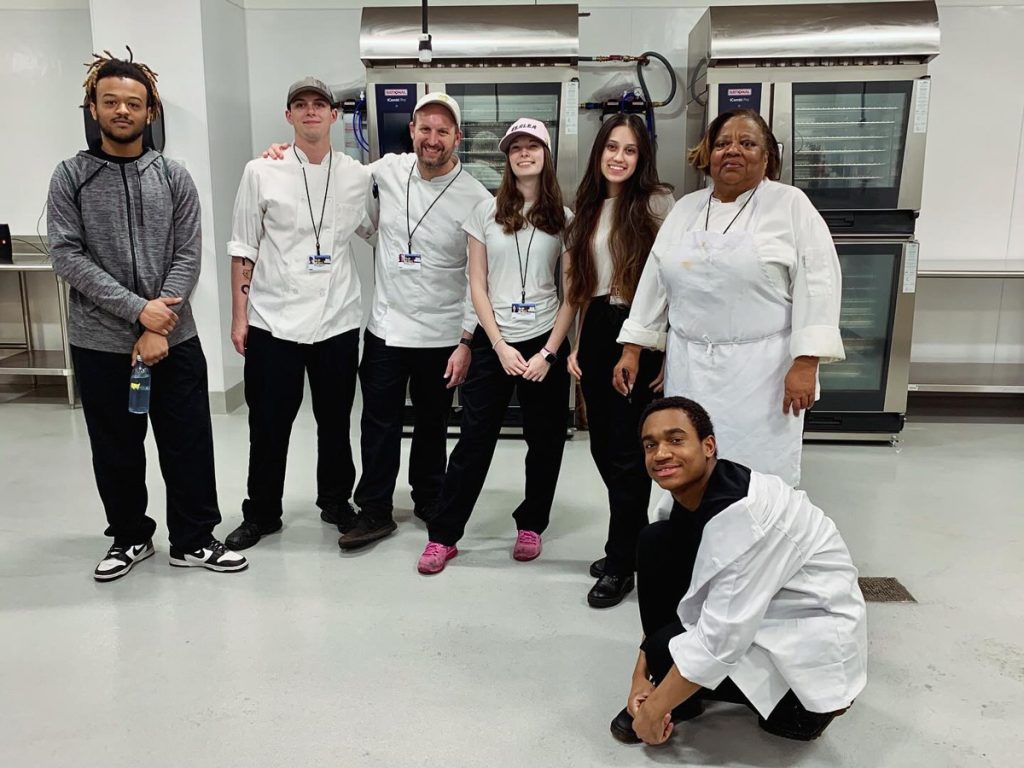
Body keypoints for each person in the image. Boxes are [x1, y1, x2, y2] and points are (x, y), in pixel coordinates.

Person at [47, 50, 247, 580]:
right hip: (101, 343)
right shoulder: (71, 177)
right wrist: (141, 313)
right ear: (93, 108)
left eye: (133, 103)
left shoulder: (174, 177)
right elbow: (66, 255)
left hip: (175, 341)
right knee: (115, 449)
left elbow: (188, 254)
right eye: (111, 101)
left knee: (188, 444)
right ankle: (130, 537)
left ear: (150, 112)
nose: (122, 111)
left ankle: (194, 538)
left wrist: (161, 324)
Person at [262, 92, 491, 549]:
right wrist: (286, 153)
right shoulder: (386, 169)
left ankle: (429, 498)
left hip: (443, 332)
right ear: (412, 131)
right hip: (386, 328)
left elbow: (478, 278)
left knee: (432, 424)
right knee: (378, 424)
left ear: (457, 137)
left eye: (442, 131)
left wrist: (467, 340)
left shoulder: (476, 197)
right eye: (425, 129)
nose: (432, 139)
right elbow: (330, 170)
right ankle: (375, 510)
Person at [612, 396, 866, 746]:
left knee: (667, 646)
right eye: (650, 445)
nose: (661, 454)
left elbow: (720, 641)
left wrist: (652, 713)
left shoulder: (744, 518)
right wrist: (640, 677)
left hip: (806, 671)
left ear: (708, 446)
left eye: (676, 440)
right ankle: (676, 691)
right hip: (762, 617)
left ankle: (683, 694)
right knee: (656, 542)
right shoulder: (686, 495)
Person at [614, 108, 844, 488]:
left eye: (747, 143)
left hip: (762, 373)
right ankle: (691, 526)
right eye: (722, 143)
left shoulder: (790, 205)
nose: (733, 150)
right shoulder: (686, 209)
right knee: (687, 462)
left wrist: (806, 363)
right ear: (709, 154)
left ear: (766, 156)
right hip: (689, 369)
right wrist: (633, 347)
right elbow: (656, 278)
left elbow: (818, 283)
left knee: (757, 471)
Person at [416, 118, 575, 574]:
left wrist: (549, 353)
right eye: (515, 147)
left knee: (545, 442)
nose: (524, 154)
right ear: (506, 157)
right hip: (495, 341)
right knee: (474, 440)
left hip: (545, 339)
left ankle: (531, 525)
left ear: (546, 154)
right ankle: (444, 535)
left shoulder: (564, 219)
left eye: (532, 146)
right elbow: (477, 285)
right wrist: (500, 345)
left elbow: (572, 293)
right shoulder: (484, 213)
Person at [223, 77, 373, 551]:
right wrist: (239, 317)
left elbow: (377, 230)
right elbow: (243, 246)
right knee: (268, 425)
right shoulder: (260, 171)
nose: (311, 111)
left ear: (334, 115)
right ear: (288, 116)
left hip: (337, 320)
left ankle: (336, 501)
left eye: (319, 104)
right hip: (273, 320)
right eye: (301, 104)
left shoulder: (357, 175)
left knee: (335, 423)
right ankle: (262, 512)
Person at [564, 113, 675, 608]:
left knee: (629, 455)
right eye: (612, 147)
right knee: (603, 449)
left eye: (630, 150)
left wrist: (665, 348)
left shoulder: (657, 204)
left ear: (641, 157)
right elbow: (582, 287)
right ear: (599, 152)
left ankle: (620, 563)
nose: (619, 157)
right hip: (597, 332)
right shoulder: (586, 209)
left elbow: (672, 283)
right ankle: (630, 545)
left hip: (640, 330)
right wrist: (575, 347)